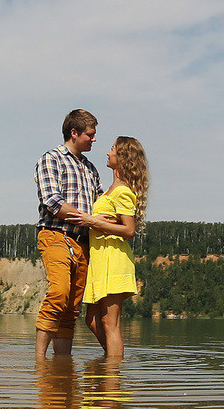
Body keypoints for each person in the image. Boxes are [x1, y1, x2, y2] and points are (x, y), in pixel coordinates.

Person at [33, 109, 101, 359]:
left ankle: (63, 365)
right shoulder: (51, 159)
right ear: (74, 133)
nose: (94, 140)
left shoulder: (91, 169)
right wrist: (87, 219)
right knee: (59, 292)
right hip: (55, 235)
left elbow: (100, 202)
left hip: (83, 242)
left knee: (72, 308)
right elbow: (52, 201)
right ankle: (40, 361)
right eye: (90, 135)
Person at [74, 136, 147, 360]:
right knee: (93, 320)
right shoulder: (111, 189)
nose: (107, 152)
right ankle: (111, 363)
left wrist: (93, 222)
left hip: (114, 258)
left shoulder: (123, 191)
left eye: (112, 149)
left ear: (122, 157)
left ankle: (113, 379)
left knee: (109, 322)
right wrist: (98, 221)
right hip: (100, 259)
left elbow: (129, 230)